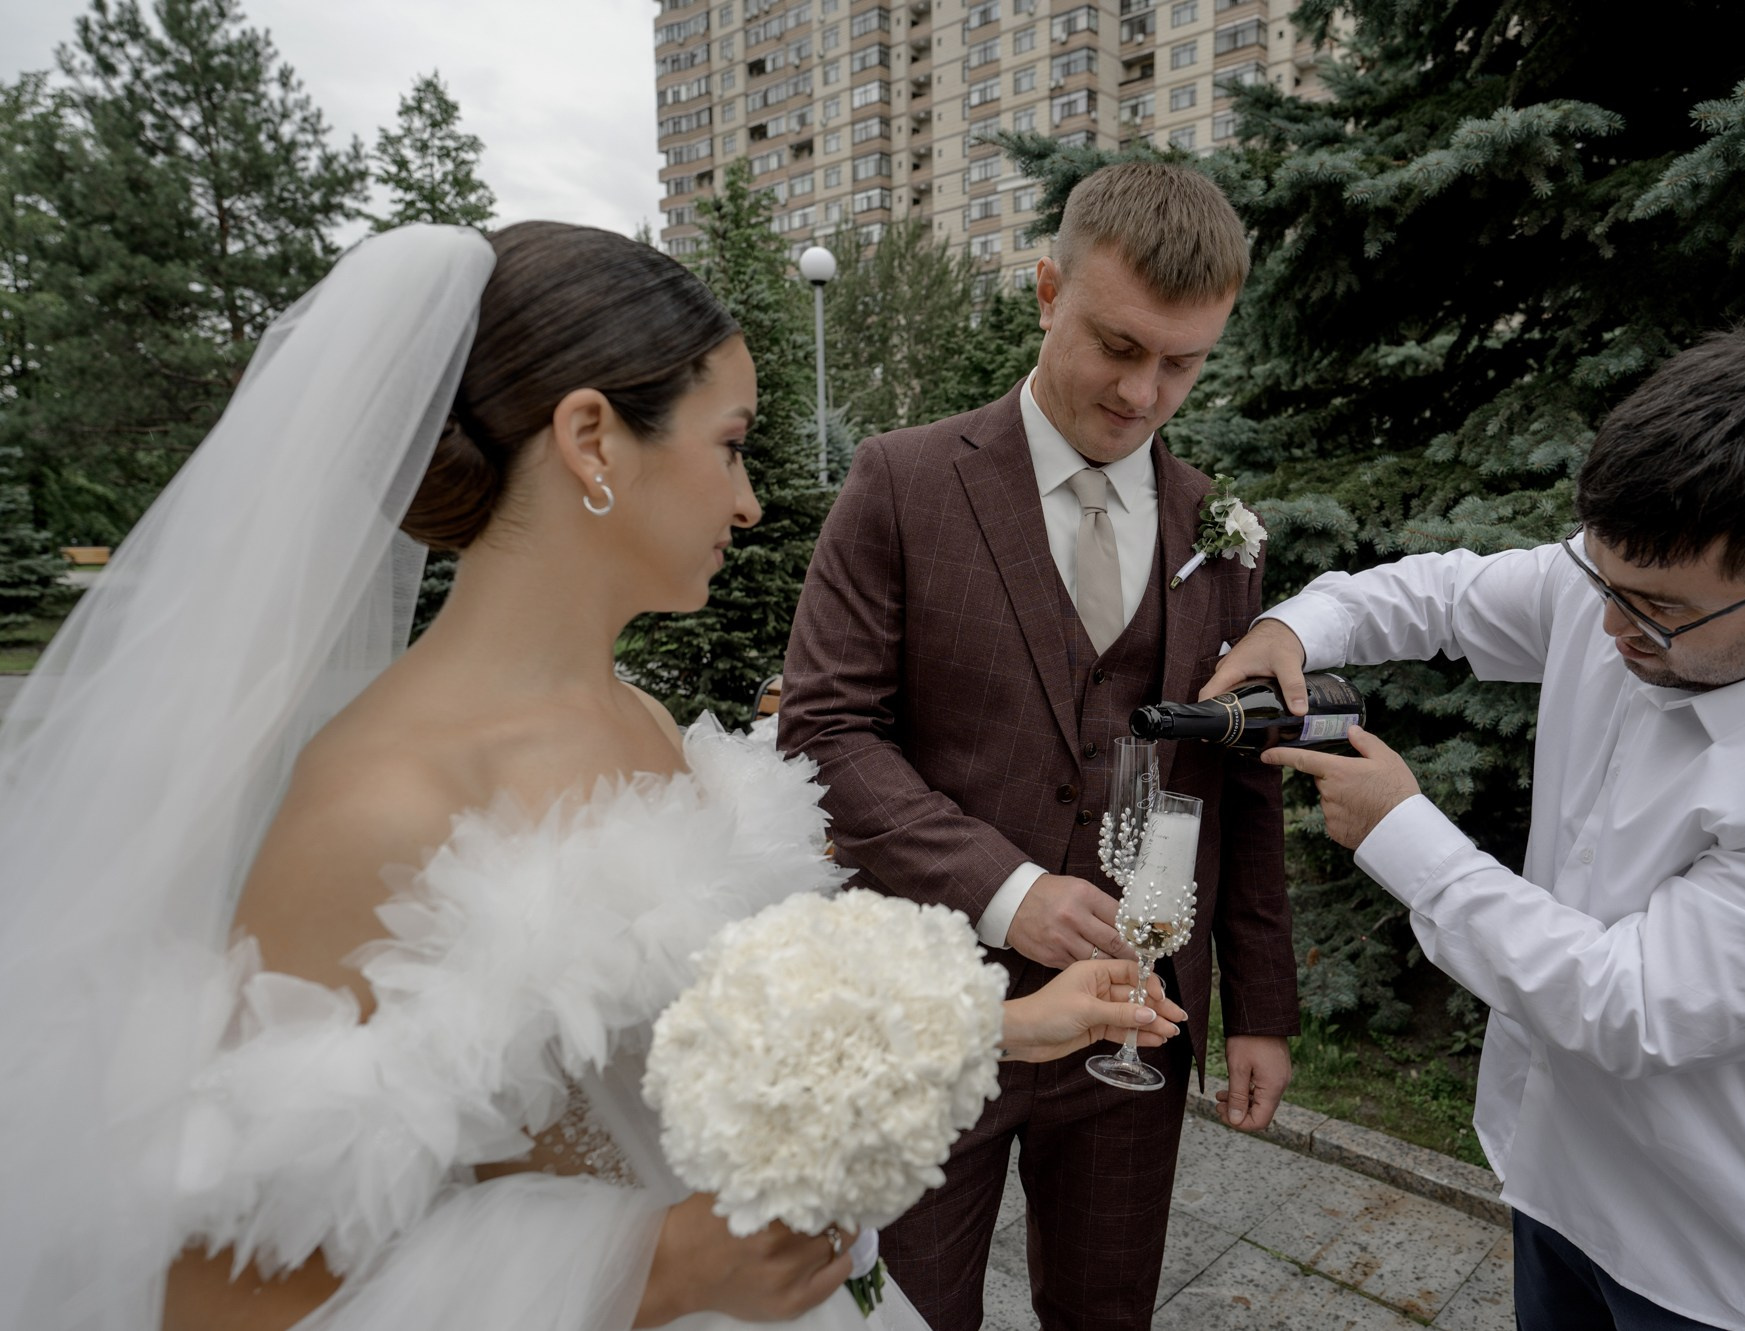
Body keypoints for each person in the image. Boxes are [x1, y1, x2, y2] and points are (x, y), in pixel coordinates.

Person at [0, 222, 1187, 1331]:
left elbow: (700, 1022)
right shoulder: (376, 804)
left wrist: (1002, 1023)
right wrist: (652, 1266)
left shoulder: (640, 718)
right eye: (727, 445)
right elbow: (221, 1294)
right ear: (590, 439)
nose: (748, 499)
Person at [1206, 328, 1745, 1331]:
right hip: (1560, 1178)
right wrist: (1297, 625)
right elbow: (1449, 596)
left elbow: (1629, 1001)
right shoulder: (1643, 578)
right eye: (1600, 581)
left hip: (1725, 1257)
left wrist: (1404, 834)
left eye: (1658, 612)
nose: (1608, 628)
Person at [779, 160, 1299, 1331]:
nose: (1143, 392)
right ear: (1044, 288)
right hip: (934, 1006)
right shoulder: (903, 482)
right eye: (1118, 345)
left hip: (1137, 1024)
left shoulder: (1221, 528)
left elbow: (1241, 783)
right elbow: (823, 731)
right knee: (902, 1312)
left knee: (1107, 1309)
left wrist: (1259, 1006)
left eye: (1184, 361)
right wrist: (1007, 893)